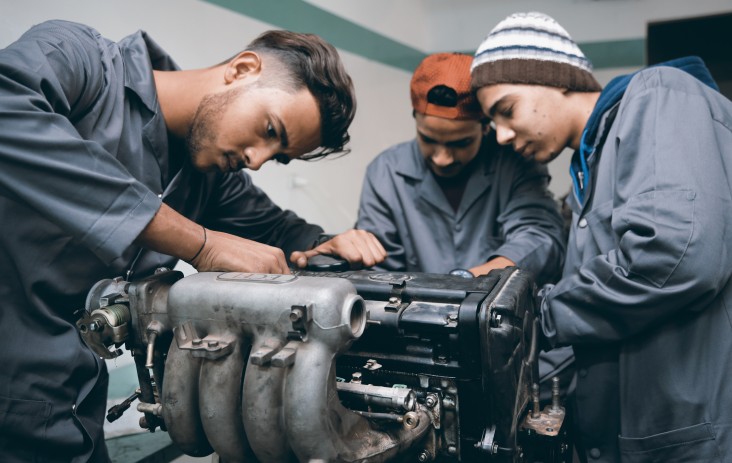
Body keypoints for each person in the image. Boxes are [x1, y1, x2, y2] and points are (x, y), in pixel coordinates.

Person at [0, 20, 385, 462]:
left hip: (69, 406)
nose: (256, 161)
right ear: (242, 69)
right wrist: (200, 244)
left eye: (277, 157)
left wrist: (328, 244)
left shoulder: (210, 180)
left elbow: (282, 233)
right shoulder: (82, 61)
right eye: (270, 130)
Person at [471, 11, 732, 462]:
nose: (502, 134)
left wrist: (538, 314)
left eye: (506, 110)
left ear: (557, 77)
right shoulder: (594, 162)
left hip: (687, 438)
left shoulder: (658, 95)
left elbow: (676, 254)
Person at [356, 52, 565, 284]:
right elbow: (378, 271)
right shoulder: (384, 172)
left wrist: (465, 283)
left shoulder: (517, 163)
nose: (442, 159)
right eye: (428, 139)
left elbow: (540, 240)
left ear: (486, 127)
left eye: (460, 143)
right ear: (415, 119)